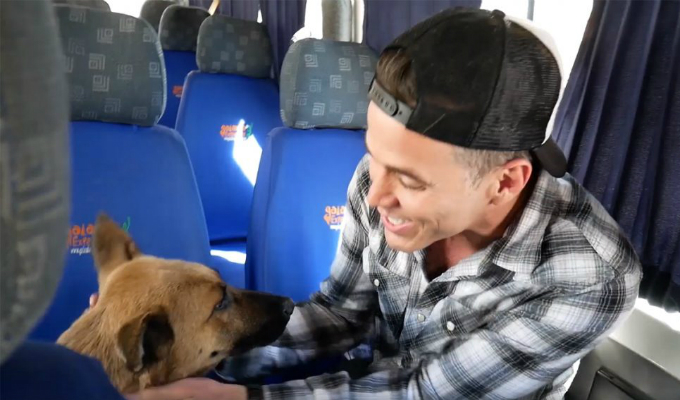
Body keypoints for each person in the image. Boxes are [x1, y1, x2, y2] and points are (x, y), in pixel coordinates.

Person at [124, 8, 642, 400]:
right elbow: (341, 315)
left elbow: (424, 393)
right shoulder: (373, 183)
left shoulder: (591, 274)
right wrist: (194, 349)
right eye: (374, 157)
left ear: (505, 182)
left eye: (411, 181)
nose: (373, 196)